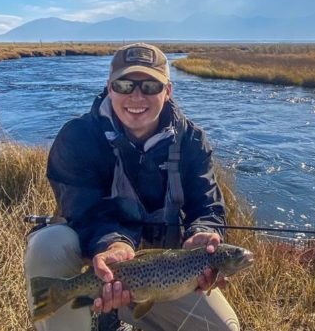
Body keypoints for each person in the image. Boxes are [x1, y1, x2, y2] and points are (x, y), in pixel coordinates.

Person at [24, 43, 240, 331]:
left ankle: (112, 316)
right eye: (124, 84)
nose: (136, 96)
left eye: (150, 86)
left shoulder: (191, 141)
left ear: (168, 91)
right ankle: (75, 312)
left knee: (223, 328)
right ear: (109, 88)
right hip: (95, 257)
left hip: (163, 272)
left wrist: (204, 231)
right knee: (48, 243)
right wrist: (112, 244)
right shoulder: (78, 137)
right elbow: (83, 212)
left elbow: (207, 206)